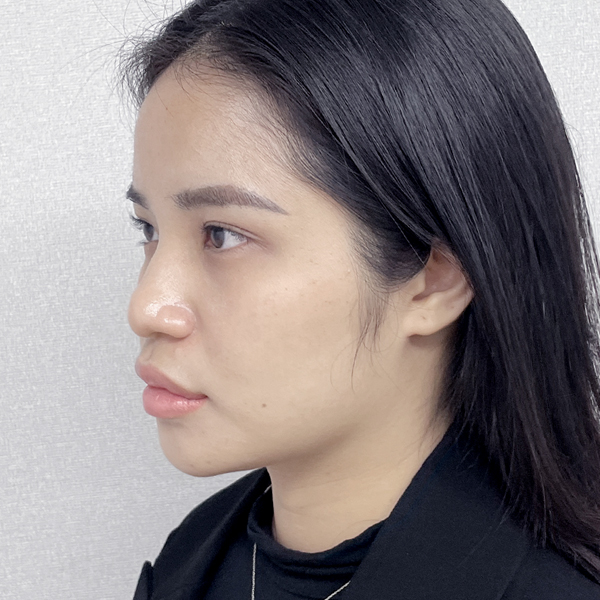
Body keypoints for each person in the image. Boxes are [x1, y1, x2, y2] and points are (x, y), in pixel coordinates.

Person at [122, 0, 600, 597]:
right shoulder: (192, 560)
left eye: (223, 235)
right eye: (149, 228)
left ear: (436, 279)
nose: (146, 307)